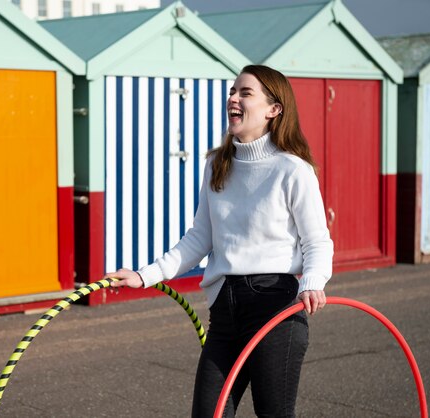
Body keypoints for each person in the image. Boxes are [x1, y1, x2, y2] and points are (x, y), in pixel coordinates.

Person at [104, 64, 333, 418]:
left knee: (273, 414)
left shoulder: (292, 169)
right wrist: (143, 275)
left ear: (274, 110)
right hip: (225, 312)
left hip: (275, 308)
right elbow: (199, 238)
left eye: (245, 92)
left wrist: (313, 283)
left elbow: (317, 241)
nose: (233, 99)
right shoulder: (218, 164)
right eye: (232, 91)